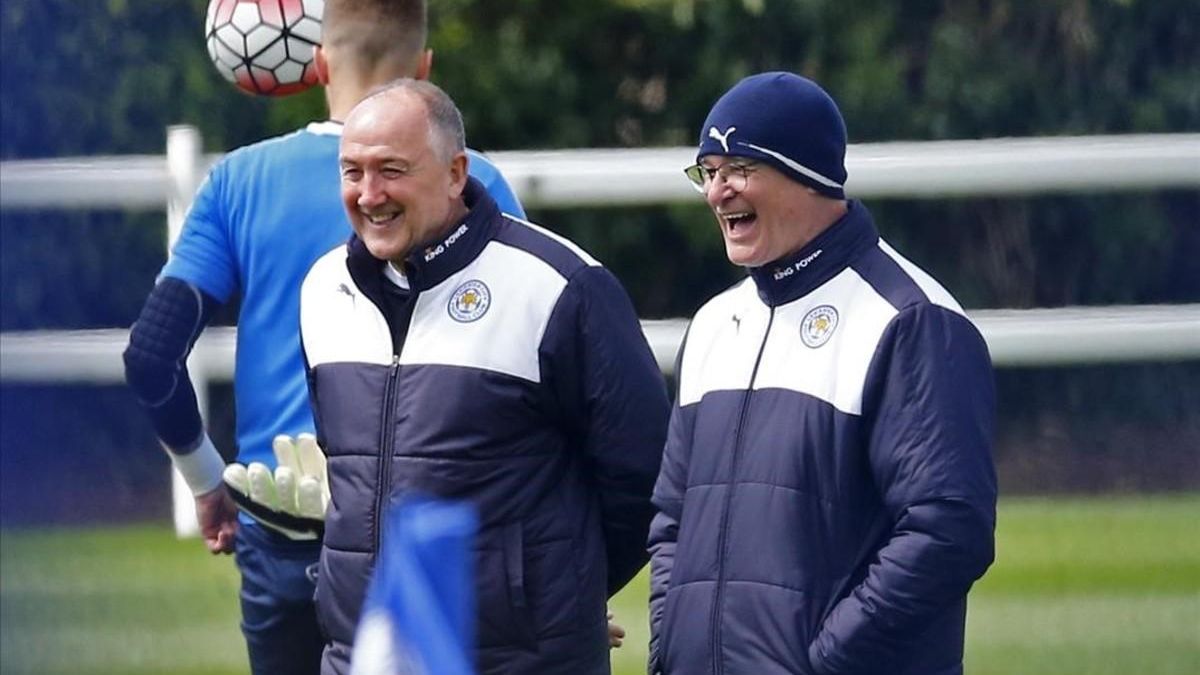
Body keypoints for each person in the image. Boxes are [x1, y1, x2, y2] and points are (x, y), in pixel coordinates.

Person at [121, 2, 524, 673]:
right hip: (431, 529)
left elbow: (151, 355)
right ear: (424, 69)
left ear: (317, 64)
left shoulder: (238, 182)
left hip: (281, 528)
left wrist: (208, 479)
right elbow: (525, 378)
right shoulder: (473, 181)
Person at [298, 78, 669, 675]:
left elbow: (646, 476)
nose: (369, 194)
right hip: (363, 658)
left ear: (453, 172)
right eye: (352, 172)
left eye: (391, 170)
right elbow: (348, 465)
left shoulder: (560, 287)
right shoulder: (322, 289)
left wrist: (561, 596)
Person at [646, 71, 998, 675]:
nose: (717, 192)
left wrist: (825, 661)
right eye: (709, 171)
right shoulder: (711, 324)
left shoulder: (911, 321)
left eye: (740, 169)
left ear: (807, 175)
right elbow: (672, 522)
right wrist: (672, 650)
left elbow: (948, 530)